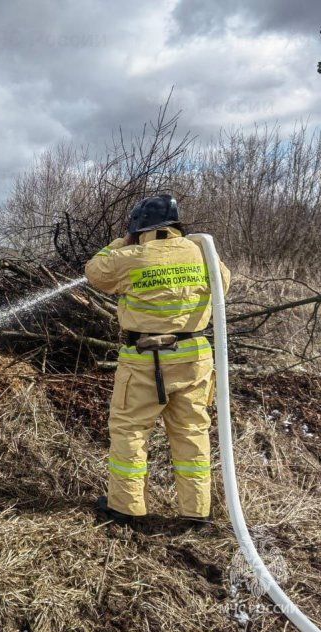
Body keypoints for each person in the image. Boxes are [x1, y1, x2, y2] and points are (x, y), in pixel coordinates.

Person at [84, 194, 230, 527]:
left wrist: (120, 241)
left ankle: (126, 507)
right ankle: (197, 512)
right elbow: (224, 285)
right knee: (192, 434)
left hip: (143, 361)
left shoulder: (131, 255)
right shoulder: (203, 254)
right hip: (194, 360)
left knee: (130, 432)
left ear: (139, 228)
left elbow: (95, 271)